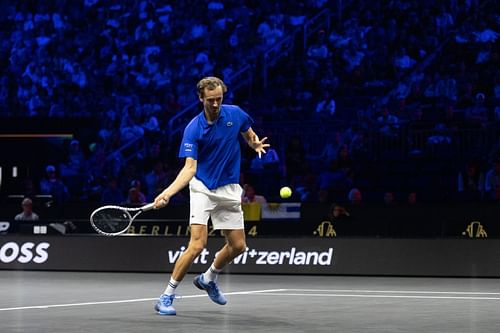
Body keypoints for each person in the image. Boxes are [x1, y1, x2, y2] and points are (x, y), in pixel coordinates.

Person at [152, 77, 269, 315]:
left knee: (238, 246)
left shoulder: (235, 114)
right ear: (201, 99)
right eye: (210, 100)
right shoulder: (193, 129)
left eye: (219, 99)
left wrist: (254, 144)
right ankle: (166, 296)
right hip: (203, 188)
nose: (215, 104)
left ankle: (208, 278)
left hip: (229, 188)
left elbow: (248, 133)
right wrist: (168, 193)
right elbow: (189, 168)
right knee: (197, 245)